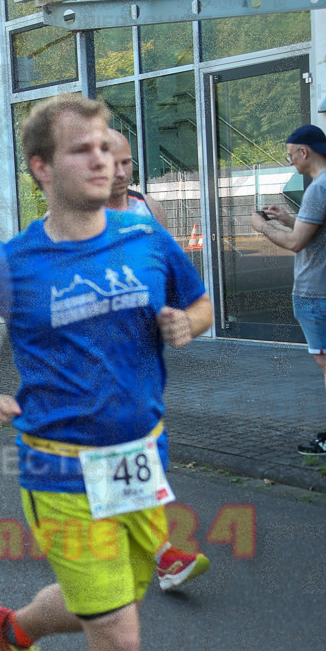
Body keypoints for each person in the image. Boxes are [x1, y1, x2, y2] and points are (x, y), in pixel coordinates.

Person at [0, 93, 214, 651]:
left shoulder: (145, 238)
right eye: (82, 150)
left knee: (114, 595)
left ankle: (13, 630)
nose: (103, 161)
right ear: (42, 168)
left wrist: (185, 323)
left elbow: (201, 305)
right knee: (118, 635)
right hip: (61, 469)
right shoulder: (14, 262)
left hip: (139, 459)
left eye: (106, 148)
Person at [106, 129, 211, 591]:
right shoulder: (57, 231)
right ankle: (159, 555)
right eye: (114, 162)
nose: (122, 172)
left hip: (141, 379)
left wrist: (184, 321)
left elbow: (189, 292)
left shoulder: (146, 214)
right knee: (125, 466)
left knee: (139, 470)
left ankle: (151, 554)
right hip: (90, 387)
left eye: (129, 162)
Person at [251, 124, 326, 455]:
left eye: (291, 156)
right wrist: (287, 217)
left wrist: (263, 227)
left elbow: (297, 242)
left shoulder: (319, 188)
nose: (291, 163)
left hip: (318, 290)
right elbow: (319, 231)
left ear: (305, 152)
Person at [105, 129, 167, 227]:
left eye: (126, 162)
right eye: (112, 164)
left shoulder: (150, 208)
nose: (121, 173)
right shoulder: (74, 213)